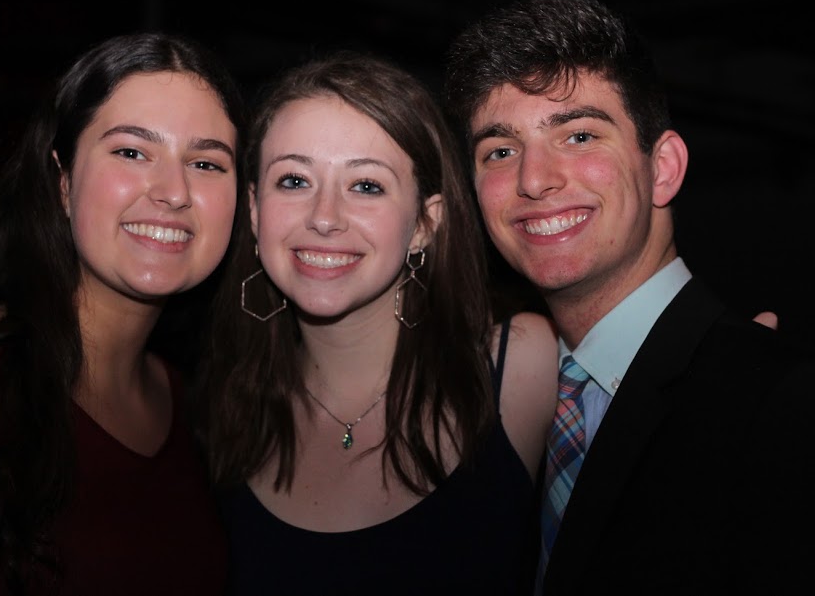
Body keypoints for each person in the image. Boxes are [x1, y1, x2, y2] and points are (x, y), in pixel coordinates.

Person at [443, 0, 815, 594]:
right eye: (500, 150)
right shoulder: (509, 413)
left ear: (664, 168)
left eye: (579, 136)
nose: (533, 178)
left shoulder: (801, 411)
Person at [199, 51, 560, 595]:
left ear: (425, 223)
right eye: (293, 181)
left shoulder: (519, 366)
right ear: (253, 211)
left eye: (365, 186)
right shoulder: (217, 410)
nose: (323, 217)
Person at [0, 32, 246, 594]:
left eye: (206, 163)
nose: (173, 191)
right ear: (62, 181)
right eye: (132, 152)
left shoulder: (193, 405)